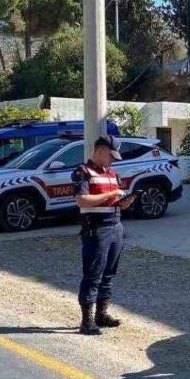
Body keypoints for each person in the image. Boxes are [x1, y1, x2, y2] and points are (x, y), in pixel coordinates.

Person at [73, 135, 135, 336]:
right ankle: (87, 320)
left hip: (115, 225)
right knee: (93, 273)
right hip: (96, 229)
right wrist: (110, 195)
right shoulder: (83, 172)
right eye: (111, 156)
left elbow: (113, 200)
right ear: (100, 151)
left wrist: (123, 202)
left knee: (109, 273)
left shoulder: (111, 173)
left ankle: (102, 314)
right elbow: (82, 200)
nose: (113, 160)